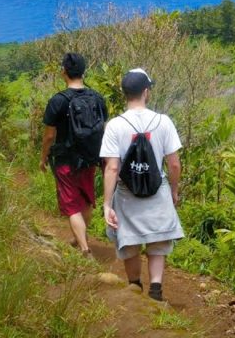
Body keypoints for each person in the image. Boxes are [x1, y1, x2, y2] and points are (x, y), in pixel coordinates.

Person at [101, 68, 184, 301]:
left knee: (130, 241)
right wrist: (174, 191)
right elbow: (174, 164)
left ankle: (135, 287)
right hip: (157, 192)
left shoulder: (114, 126)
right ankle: (156, 291)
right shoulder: (163, 121)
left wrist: (107, 204)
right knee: (157, 241)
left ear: (124, 93)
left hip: (127, 194)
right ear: (146, 92)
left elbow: (112, 167)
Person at [41, 52, 108, 256]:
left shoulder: (58, 101)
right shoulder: (97, 98)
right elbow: (103, 127)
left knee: (71, 205)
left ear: (64, 72)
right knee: (85, 200)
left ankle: (85, 248)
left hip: (66, 160)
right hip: (90, 157)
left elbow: (49, 136)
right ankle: (80, 237)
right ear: (83, 71)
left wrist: (43, 157)